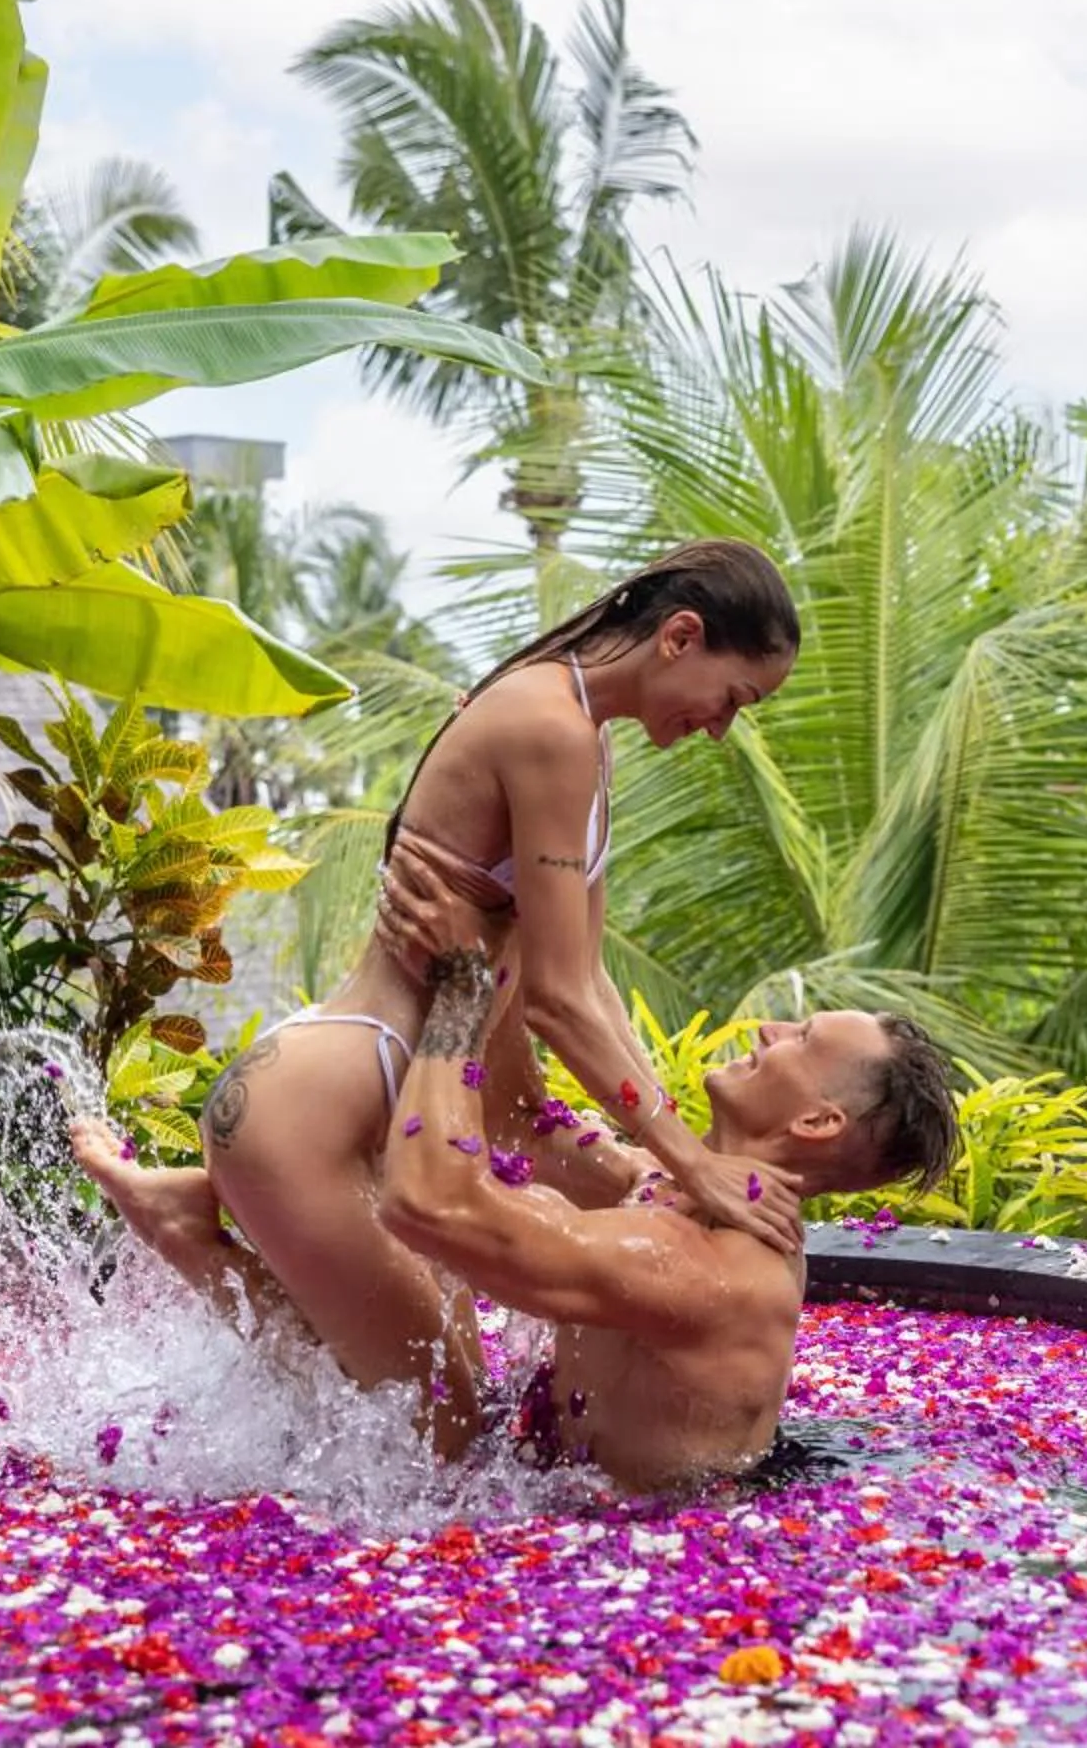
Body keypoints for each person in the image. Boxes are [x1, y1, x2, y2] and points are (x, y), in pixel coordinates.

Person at [182, 542, 805, 1453]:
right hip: (315, 1116)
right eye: (735, 699)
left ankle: (186, 1212)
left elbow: (585, 980)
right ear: (682, 637)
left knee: (422, 1398)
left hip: (393, 1090)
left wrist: (660, 1156)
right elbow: (552, 1001)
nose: (721, 728)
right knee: (442, 1432)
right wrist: (688, 1155)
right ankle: (186, 1236)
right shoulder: (547, 727)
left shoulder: (586, 739)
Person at [68, 931, 961, 1491]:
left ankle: (191, 1237)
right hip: (550, 1477)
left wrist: (458, 1005)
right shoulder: (685, 1189)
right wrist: (507, 902)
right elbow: (531, 1126)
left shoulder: (710, 1267)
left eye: (801, 1039)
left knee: (432, 1431)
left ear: (815, 1121)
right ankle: (195, 1232)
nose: (770, 1031)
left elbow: (429, 1206)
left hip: (644, 1550)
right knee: (432, 1351)